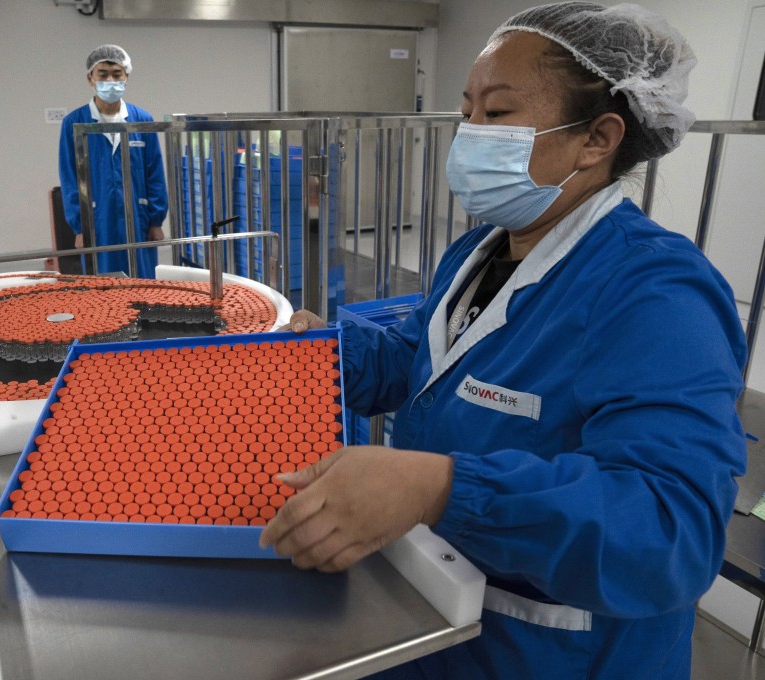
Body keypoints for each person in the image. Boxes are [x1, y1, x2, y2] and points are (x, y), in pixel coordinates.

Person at [259, 3, 748, 678]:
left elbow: (669, 530)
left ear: (596, 139)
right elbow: (421, 364)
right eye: (466, 112)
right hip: (440, 622)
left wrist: (443, 488)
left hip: (559, 653)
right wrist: (318, 349)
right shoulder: (478, 251)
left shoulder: (657, 294)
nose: (470, 134)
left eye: (496, 114)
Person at [58, 44, 168, 278]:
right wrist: (80, 226)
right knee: (104, 288)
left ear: (126, 77)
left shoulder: (141, 120)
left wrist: (156, 220)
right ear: (90, 79)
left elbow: (154, 172)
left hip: (139, 219)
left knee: (143, 282)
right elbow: (70, 178)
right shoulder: (75, 123)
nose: (110, 80)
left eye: (116, 74)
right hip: (98, 220)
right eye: (103, 74)